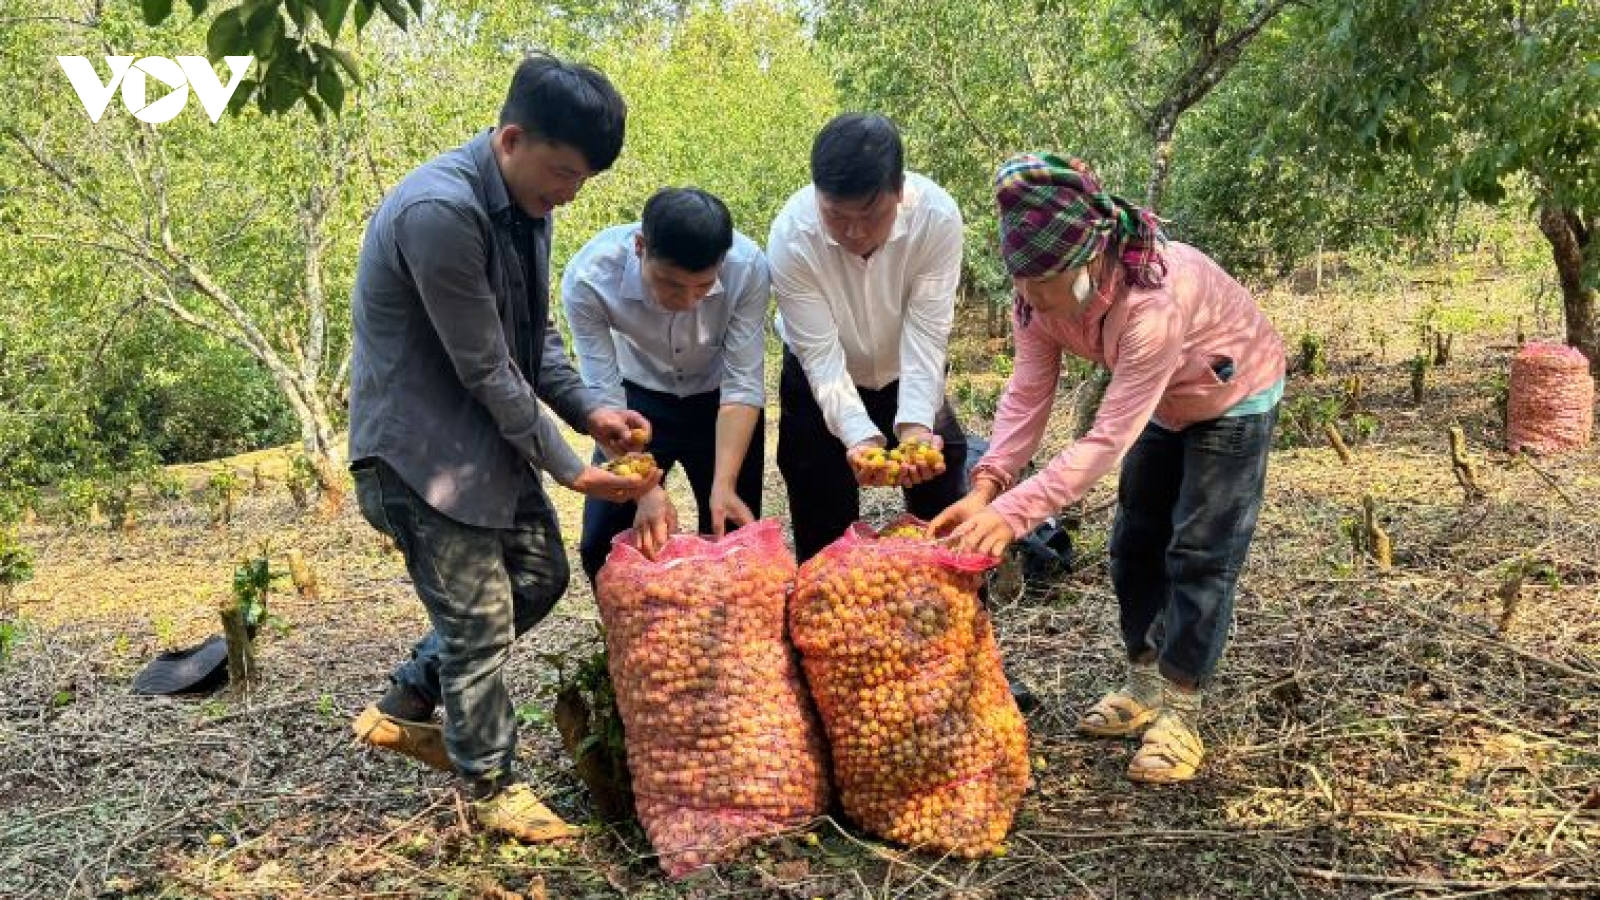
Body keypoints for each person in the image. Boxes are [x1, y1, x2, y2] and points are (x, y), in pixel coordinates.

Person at [345, 54, 657, 839]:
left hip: (485, 449)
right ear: (511, 137)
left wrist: (592, 411)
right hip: (420, 457)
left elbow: (531, 337)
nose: (569, 194)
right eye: (562, 173)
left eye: (582, 181)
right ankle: (491, 788)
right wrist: (569, 467)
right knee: (479, 622)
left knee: (541, 576)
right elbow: (485, 365)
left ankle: (408, 701)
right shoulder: (439, 212)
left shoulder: (529, 206)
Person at [933, 153, 1286, 784]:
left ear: (1094, 254)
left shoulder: (1152, 305)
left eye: (1050, 281)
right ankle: (1143, 683)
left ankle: (1181, 711)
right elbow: (1025, 397)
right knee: (1133, 543)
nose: (1039, 297)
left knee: (1201, 552)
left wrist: (1014, 515)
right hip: (1163, 402)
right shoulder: (1035, 303)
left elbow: (1106, 440)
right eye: (1026, 283)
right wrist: (986, 486)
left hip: (1233, 396)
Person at [769, 113, 968, 562]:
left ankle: (955, 617)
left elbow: (928, 331)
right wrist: (858, 436)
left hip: (908, 369)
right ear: (817, 194)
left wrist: (916, 424)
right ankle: (821, 623)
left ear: (899, 191)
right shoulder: (791, 235)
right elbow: (820, 354)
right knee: (820, 517)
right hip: (819, 382)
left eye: (871, 215)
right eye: (836, 216)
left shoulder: (936, 217)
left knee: (943, 501)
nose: (854, 232)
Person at [562, 187, 769, 579]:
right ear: (640, 246)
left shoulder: (747, 266)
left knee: (733, 535)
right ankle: (627, 631)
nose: (688, 301)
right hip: (635, 406)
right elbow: (602, 396)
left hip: (719, 402)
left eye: (704, 287)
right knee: (602, 542)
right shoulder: (590, 276)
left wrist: (723, 484)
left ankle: (727, 632)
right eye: (671, 284)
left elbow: (743, 383)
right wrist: (644, 490)